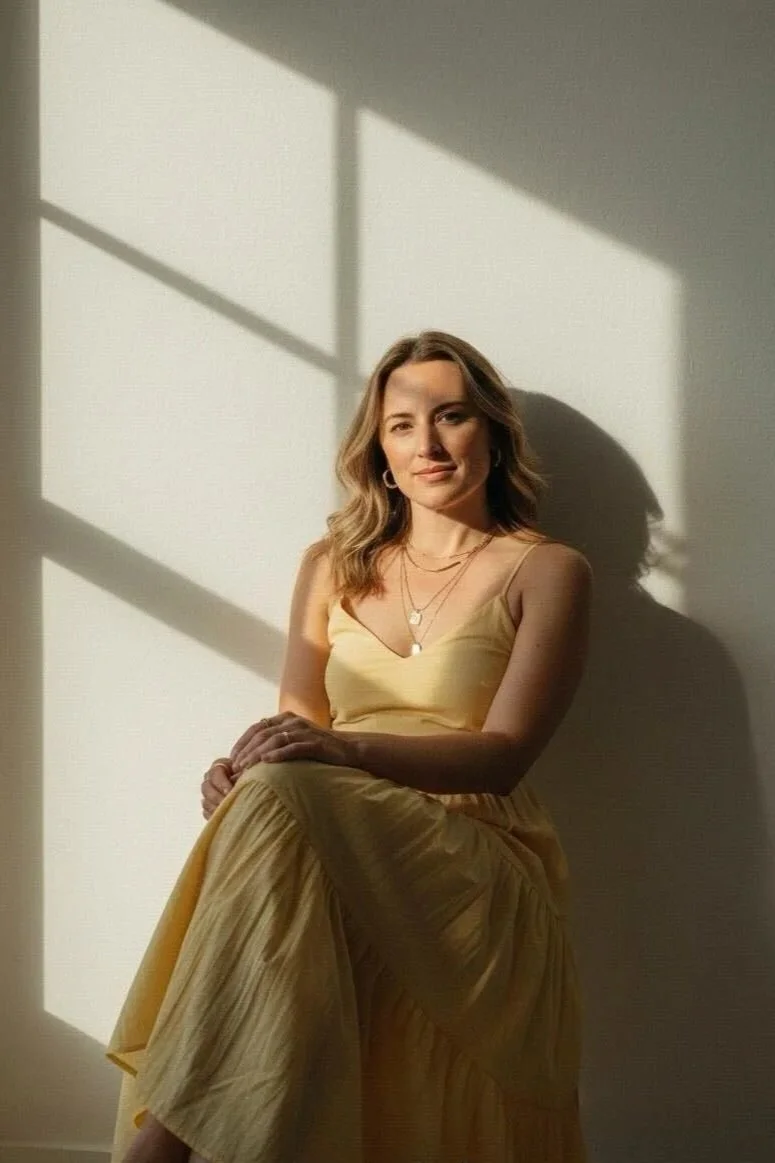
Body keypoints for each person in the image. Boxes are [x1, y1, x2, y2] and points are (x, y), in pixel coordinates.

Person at [107, 330, 592, 1163]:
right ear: (377, 450)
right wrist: (247, 770)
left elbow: (505, 751)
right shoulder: (330, 565)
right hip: (337, 832)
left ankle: (162, 1148)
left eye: (451, 417)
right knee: (267, 794)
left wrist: (340, 755)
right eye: (401, 425)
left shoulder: (546, 571)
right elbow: (297, 729)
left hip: (474, 854)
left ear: (494, 434)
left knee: (286, 795)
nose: (428, 445)